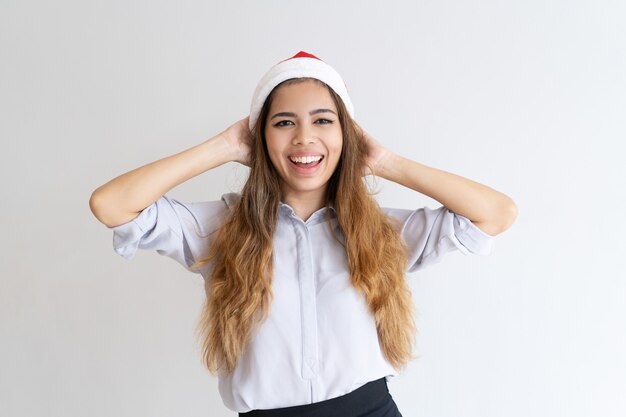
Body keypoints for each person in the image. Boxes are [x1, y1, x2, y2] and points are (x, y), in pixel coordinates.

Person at [89, 51, 518, 416]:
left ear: (346, 135)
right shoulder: (221, 228)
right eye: (284, 123)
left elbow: (497, 213)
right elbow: (111, 205)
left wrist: (386, 161)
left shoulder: (384, 231)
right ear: (260, 137)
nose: (305, 138)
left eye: (323, 121)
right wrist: (221, 147)